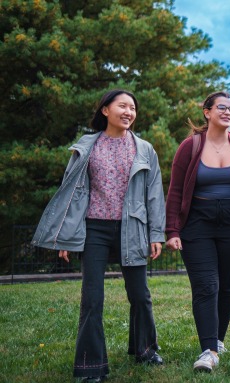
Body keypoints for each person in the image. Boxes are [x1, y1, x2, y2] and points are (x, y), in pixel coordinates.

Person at [31, 89, 166, 381]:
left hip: (133, 228)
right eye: (122, 106)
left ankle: (145, 349)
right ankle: (91, 365)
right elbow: (71, 194)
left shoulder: (144, 149)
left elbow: (154, 194)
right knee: (92, 299)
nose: (129, 112)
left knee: (140, 295)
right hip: (95, 229)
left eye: (133, 107)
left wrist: (156, 233)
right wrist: (67, 236)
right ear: (105, 110)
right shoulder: (87, 146)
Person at [164, 91, 230, 372]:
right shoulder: (190, 146)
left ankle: (218, 340)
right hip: (197, 225)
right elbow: (174, 191)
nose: (228, 112)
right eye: (222, 107)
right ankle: (208, 350)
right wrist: (172, 229)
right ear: (206, 112)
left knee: (227, 283)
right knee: (206, 285)